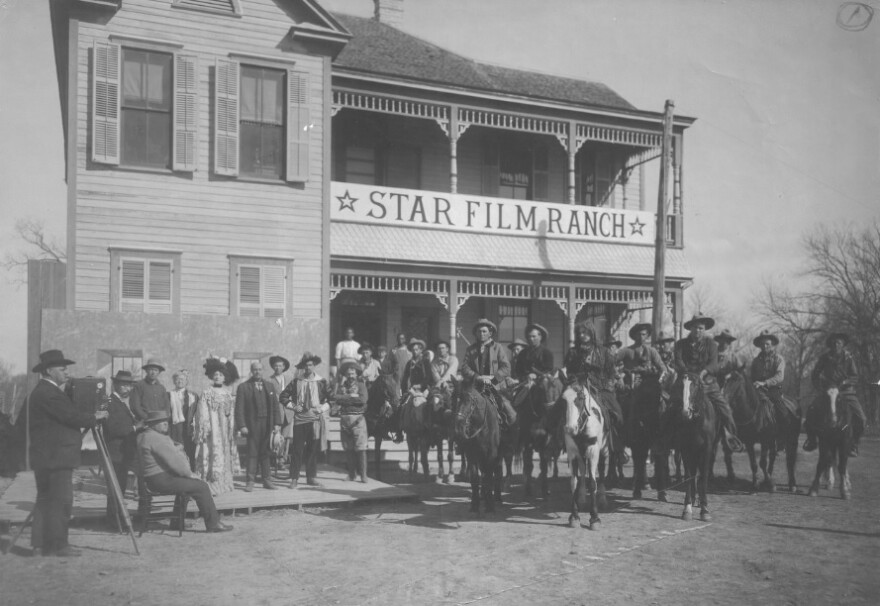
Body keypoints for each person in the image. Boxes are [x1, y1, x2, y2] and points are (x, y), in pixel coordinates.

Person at [27, 350, 109, 556]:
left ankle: (40, 545)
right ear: (49, 370)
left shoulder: (46, 391)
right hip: (56, 458)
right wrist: (95, 416)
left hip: (48, 457)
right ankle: (58, 545)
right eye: (62, 369)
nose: (66, 373)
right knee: (61, 502)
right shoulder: (48, 392)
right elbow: (70, 416)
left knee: (45, 501)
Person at [137, 411, 232, 533]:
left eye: (166, 421)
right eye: (161, 422)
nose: (166, 424)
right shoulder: (158, 438)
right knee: (201, 486)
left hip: (150, 480)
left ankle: (177, 523)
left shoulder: (144, 436)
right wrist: (190, 474)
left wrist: (174, 448)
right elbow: (177, 464)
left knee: (187, 485)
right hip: (161, 480)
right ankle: (213, 524)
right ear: (152, 424)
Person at [673, 313, 743, 452]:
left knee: (725, 409)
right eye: (695, 328)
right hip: (686, 383)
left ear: (704, 329)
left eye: (701, 328)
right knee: (670, 406)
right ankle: (665, 438)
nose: (698, 331)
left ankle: (731, 438)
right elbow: (679, 361)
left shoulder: (711, 344)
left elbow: (714, 364)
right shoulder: (680, 344)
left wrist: (703, 372)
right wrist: (688, 374)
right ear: (690, 329)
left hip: (708, 384)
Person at [804, 332, 865, 456]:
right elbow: (815, 374)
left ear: (843, 345)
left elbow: (855, 376)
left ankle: (854, 444)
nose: (836, 345)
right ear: (831, 344)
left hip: (846, 392)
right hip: (828, 391)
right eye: (834, 342)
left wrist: (845, 382)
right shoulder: (824, 358)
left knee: (862, 418)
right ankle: (811, 440)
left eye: (839, 343)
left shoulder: (849, 358)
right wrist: (820, 388)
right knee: (810, 411)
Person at [280, 353, 332, 488]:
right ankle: (294, 478)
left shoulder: (322, 382)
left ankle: (311, 477)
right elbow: (283, 397)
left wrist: (321, 409)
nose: (308, 368)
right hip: (299, 420)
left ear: (314, 366)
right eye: (305, 365)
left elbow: (331, 399)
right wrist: (294, 406)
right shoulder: (296, 381)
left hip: (315, 420)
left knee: (312, 450)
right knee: (297, 450)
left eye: (310, 365)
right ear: (302, 367)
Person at [563, 322, 624, 428]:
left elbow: (611, 372)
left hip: (600, 387)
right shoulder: (573, 352)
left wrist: (608, 384)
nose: (582, 335)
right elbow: (569, 371)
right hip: (578, 386)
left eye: (585, 332)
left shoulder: (603, 351)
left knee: (616, 411)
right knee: (560, 404)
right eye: (580, 333)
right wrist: (574, 382)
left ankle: (618, 440)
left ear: (592, 333)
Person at [193, 358, 239, 495]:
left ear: (225, 377)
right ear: (212, 377)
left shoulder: (227, 393)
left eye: (221, 375)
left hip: (224, 429)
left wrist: (231, 426)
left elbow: (230, 412)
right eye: (216, 375)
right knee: (213, 452)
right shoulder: (207, 393)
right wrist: (205, 426)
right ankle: (210, 485)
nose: (218, 377)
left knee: (223, 453)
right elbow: (202, 410)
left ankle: (224, 484)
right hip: (212, 429)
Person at [235, 362, 282, 492]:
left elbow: (275, 407)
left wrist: (277, 423)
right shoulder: (243, 387)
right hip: (252, 426)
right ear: (251, 371)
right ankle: (250, 481)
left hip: (267, 424)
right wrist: (242, 425)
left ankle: (267, 480)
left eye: (260, 369)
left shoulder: (270, 386)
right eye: (255, 370)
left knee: (266, 453)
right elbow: (239, 410)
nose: (257, 372)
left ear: (263, 371)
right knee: (252, 453)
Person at [460, 319, 517, 425]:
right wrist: (477, 377)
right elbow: (464, 368)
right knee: (462, 410)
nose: (481, 334)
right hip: (475, 387)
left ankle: (510, 435)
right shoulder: (470, 349)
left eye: (484, 331)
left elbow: (506, 367)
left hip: (495, 387)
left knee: (509, 411)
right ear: (476, 333)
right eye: (479, 331)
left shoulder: (498, 348)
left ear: (490, 333)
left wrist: (493, 379)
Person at [103, 370, 141, 529]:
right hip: (115, 452)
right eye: (123, 385)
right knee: (115, 488)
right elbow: (113, 428)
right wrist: (135, 426)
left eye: (129, 385)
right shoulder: (110, 402)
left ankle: (117, 521)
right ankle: (114, 523)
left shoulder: (121, 402)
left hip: (122, 453)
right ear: (116, 385)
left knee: (120, 486)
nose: (127, 388)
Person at [332, 361, 369, 482]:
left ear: (357, 374)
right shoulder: (342, 387)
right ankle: (352, 474)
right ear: (345, 375)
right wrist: (351, 396)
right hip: (344, 420)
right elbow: (336, 398)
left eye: (353, 373)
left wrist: (345, 399)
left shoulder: (361, 385)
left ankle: (363, 475)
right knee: (348, 449)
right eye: (348, 374)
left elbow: (363, 400)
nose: (351, 376)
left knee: (361, 448)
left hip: (358, 420)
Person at [618, 323, 666, 389]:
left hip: (648, 386)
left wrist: (659, 382)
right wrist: (619, 378)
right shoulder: (626, 351)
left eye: (643, 334)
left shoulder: (651, 351)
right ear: (634, 335)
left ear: (647, 336)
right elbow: (611, 364)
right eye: (638, 334)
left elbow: (663, 369)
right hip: (629, 386)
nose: (641, 337)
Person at [168, 370, 198, 469]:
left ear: (186, 382)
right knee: (175, 450)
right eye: (177, 379)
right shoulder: (169, 395)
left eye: (182, 379)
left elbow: (197, 412)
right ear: (174, 381)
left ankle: (190, 472)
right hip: (174, 427)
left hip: (188, 427)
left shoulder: (193, 396)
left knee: (189, 451)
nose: (179, 381)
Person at [130, 358, 170, 422]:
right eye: (151, 369)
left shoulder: (161, 388)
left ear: (159, 372)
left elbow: (167, 405)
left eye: (156, 370)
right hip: (144, 422)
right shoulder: (139, 386)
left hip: (160, 422)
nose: (153, 372)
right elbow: (135, 406)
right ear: (146, 371)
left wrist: (165, 417)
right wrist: (146, 418)